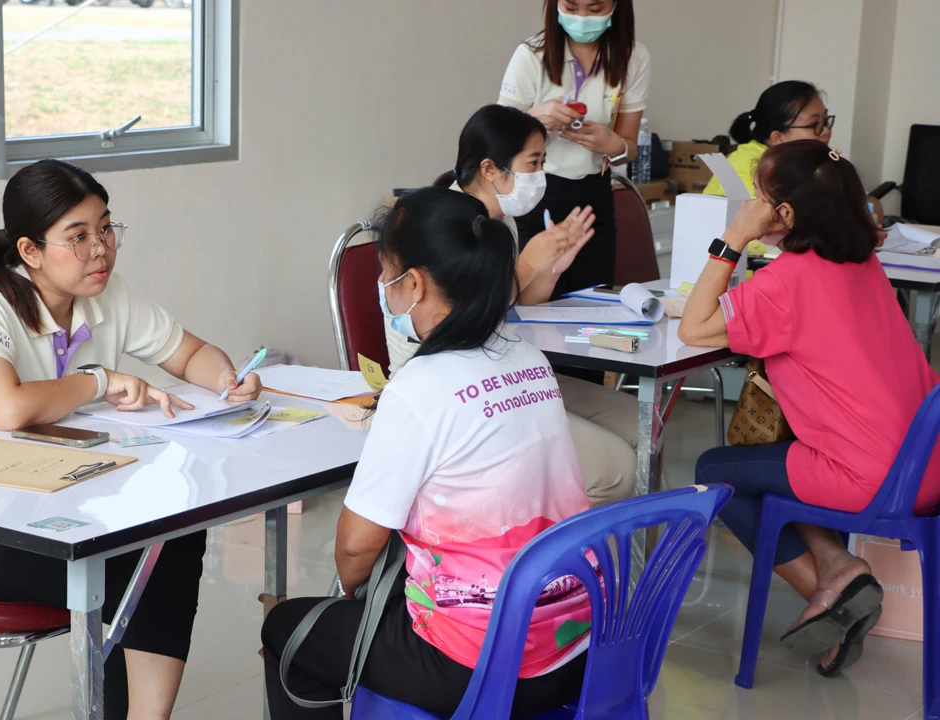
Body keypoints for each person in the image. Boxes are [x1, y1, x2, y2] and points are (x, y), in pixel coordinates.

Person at [0, 159, 262, 720]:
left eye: (105, 228)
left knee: (170, 537)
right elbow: (7, 408)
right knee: (135, 563)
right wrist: (100, 380)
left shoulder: (106, 293)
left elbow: (191, 353)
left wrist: (225, 378)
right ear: (30, 251)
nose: (100, 249)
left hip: (48, 506)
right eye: (78, 237)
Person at [262, 188, 592, 718]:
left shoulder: (421, 385)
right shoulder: (529, 358)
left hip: (477, 665)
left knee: (287, 629)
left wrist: (352, 596)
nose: (380, 289)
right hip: (575, 642)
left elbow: (356, 548)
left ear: (412, 284)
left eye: (384, 274)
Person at [679, 140, 940, 677]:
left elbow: (693, 328)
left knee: (714, 472)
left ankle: (833, 587)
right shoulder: (861, 262)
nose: (752, 205)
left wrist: (732, 238)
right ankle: (838, 568)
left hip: (871, 476)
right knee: (783, 459)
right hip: (926, 462)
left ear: (786, 213)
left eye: (758, 197)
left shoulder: (786, 282)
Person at [389, 103, 638, 505]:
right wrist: (528, 265)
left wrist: (551, 270)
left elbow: (515, 304)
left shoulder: (500, 222)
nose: (541, 176)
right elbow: (459, 317)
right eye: (533, 163)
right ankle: (549, 558)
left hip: (502, 369)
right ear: (490, 168)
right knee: (617, 469)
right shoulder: (440, 224)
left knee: (642, 423)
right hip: (456, 385)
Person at [499, 0, 650, 298]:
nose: (582, 18)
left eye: (594, 10)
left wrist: (612, 144)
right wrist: (533, 120)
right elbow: (497, 135)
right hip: (536, 192)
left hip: (593, 196)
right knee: (533, 303)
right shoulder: (531, 55)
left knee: (591, 303)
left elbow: (628, 147)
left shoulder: (633, 58)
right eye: (571, 7)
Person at [705, 80, 883, 226]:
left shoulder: (799, 162)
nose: (826, 131)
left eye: (826, 121)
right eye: (814, 125)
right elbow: (776, 228)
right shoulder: (753, 166)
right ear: (778, 137)